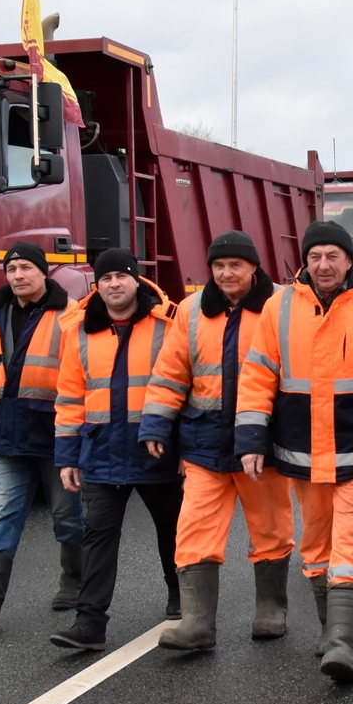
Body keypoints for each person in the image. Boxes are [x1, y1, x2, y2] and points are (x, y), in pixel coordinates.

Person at [236, 221, 353, 683]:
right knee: (316, 545)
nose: (324, 265)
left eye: (333, 256)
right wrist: (250, 438)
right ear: (305, 260)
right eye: (315, 256)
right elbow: (258, 375)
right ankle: (329, 630)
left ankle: (343, 646)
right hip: (301, 450)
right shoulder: (279, 305)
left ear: (350, 260)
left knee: (349, 543)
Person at [138, 230, 294, 650]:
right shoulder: (190, 311)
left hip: (261, 442)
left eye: (235, 266)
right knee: (193, 530)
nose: (226, 273)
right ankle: (197, 624)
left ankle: (270, 608)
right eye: (219, 266)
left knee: (271, 527)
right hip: (203, 441)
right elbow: (170, 373)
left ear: (253, 268)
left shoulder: (281, 306)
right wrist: (155, 425)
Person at [48, 249, 184, 651]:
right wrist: (67, 455)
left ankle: (181, 600)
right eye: (105, 278)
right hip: (102, 450)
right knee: (98, 536)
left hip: (156, 449)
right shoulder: (79, 330)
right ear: (98, 286)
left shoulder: (167, 324)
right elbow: (70, 396)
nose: (114, 285)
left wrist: (187, 449)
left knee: (173, 531)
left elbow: (184, 387)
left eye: (121, 277)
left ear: (136, 281)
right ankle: (89, 624)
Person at [0, 242, 84, 627]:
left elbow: (84, 373)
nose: (18, 275)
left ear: (44, 273)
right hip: (8, 434)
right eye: (11, 269)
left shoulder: (70, 316)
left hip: (58, 436)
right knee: (3, 513)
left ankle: (75, 582)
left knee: (67, 515)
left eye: (26, 268)